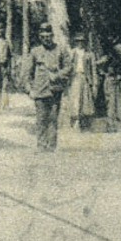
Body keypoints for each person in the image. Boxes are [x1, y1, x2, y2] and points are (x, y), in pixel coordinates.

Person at [27, 23, 73, 152]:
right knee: (41, 119)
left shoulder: (60, 49)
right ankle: (41, 146)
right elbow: (27, 73)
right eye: (43, 36)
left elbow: (69, 67)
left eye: (48, 36)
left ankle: (51, 146)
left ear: (52, 36)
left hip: (55, 90)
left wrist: (57, 75)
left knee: (53, 119)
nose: (46, 39)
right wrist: (29, 90)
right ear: (40, 37)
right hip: (40, 91)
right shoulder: (35, 52)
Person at [100, 40, 121, 129]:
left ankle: (119, 121)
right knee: (111, 102)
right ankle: (111, 122)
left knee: (120, 101)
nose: (120, 52)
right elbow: (102, 68)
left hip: (120, 82)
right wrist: (107, 75)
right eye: (118, 50)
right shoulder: (109, 58)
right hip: (111, 81)